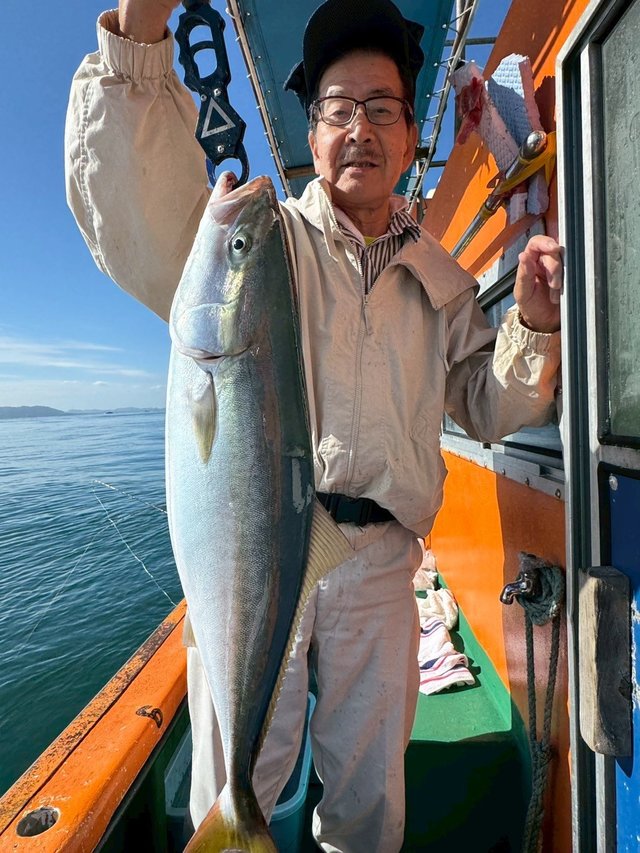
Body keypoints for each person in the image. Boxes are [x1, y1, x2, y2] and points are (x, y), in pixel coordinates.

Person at [65, 0, 563, 849]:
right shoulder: (267, 240)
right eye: (338, 108)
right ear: (314, 131)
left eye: (382, 108)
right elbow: (139, 202)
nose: (359, 128)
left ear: (409, 137)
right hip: (260, 544)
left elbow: (487, 404)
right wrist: (139, 36)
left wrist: (535, 325)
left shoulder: (441, 279)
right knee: (240, 780)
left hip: (382, 565)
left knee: (370, 799)